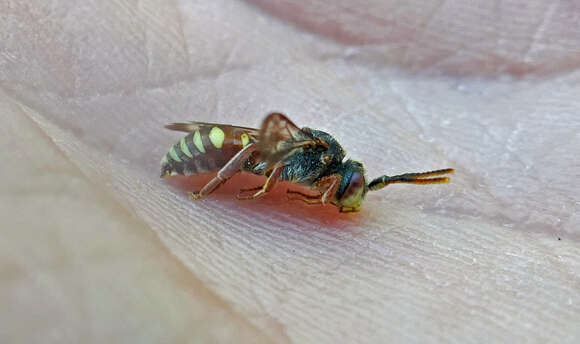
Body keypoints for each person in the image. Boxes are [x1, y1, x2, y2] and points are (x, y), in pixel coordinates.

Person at [2, 1, 579, 342]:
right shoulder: (312, 158)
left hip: (241, 150)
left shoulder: (324, 165)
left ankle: (220, 180)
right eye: (349, 193)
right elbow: (274, 139)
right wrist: (244, 185)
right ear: (339, 177)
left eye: (351, 194)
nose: (348, 198)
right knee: (260, 144)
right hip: (220, 150)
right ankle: (210, 182)